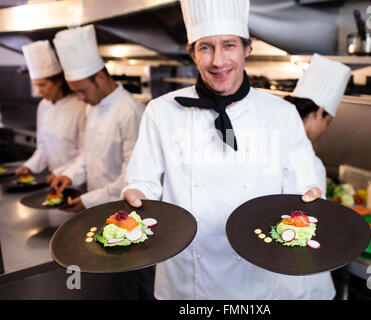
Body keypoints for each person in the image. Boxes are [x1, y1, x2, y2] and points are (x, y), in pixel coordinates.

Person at [122, 0, 333, 300]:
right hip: (187, 282)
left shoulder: (281, 114)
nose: (218, 61)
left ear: (248, 49)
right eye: (206, 47)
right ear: (193, 53)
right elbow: (143, 183)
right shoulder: (161, 112)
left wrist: (310, 200)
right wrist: (136, 196)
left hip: (257, 281)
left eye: (229, 45)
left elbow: (302, 191)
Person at [50, 24, 144, 212]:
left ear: (100, 77)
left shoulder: (130, 112)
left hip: (121, 206)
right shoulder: (92, 106)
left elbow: (132, 175)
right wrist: (69, 175)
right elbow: (88, 154)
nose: (80, 98)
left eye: (82, 90)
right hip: (95, 204)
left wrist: (90, 200)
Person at [16, 40, 86, 184]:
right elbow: (43, 147)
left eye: (43, 85)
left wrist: (64, 173)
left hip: (77, 180)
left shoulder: (80, 106)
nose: (39, 91)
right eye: (36, 85)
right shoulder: (43, 105)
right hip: (54, 179)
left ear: (58, 82)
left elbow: (86, 153)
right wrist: (29, 166)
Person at [284, 53, 351, 192]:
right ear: (319, 112)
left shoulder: (270, 134)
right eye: (327, 122)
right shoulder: (311, 164)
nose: (324, 130)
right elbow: (312, 210)